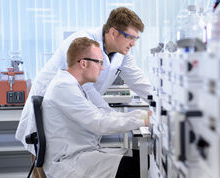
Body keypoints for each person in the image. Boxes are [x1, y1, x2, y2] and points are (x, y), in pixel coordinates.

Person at [16, 6, 150, 162]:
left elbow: (138, 81)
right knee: (47, 161)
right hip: (50, 111)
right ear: (113, 33)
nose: (133, 43)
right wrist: (114, 116)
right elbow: (86, 88)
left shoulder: (122, 53)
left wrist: (162, 104)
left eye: (136, 38)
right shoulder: (83, 44)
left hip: (76, 114)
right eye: (130, 37)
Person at [42, 37, 148, 178]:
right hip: (70, 162)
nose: (102, 67)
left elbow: (103, 114)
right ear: (84, 63)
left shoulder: (74, 85)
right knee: (139, 166)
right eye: (99, 62)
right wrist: (144, 119)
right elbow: (99, 123)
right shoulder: (64, 86)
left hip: (82, 154)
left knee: (141, 158)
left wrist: (141, 115)